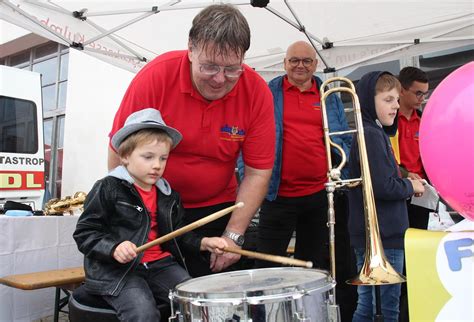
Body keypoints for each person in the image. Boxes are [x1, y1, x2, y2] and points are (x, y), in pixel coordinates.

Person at [107, 4, 275, 277]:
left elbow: (258, 171)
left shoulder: (257, 92)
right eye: (209, 66)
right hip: (154, 205)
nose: (220, 79)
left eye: (232, 69)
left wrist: (234, 236)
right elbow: (119, 153)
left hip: (216, 209)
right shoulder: (156, 76)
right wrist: (132, 215)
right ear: (190, 48)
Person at [74, 109, 229, 322]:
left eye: (163, 158)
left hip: (160, 265)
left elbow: (179, 235)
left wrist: (204, 242)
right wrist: (113, 248)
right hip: (120, 270)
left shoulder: (168, 194)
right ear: (125, 156)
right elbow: (85, 233)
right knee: (143, 313)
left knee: (197, 302)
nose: (157, 165)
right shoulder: (108, 188)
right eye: (148, 157)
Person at [243, 40, 355, 320]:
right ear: (284, 63)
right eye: (294, 60)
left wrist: (338, 168)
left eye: (306, 61)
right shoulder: (270, 93)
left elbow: (342, 138)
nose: (300, 66)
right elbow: (250, 137)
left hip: (318, 196)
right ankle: (261, 317)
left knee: (313, 268)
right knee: (266, 268)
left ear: (315, 64)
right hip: (277, 196)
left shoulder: (328, 94)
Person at [348, 72, 425, 322]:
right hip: (384, 234)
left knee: (371, 304)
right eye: (388, 99)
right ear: (370, 102)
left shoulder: (374, 132)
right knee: (382, 307)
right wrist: (410, 187)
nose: (395, 105)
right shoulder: (370, 134)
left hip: (382, 232)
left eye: (396, 100)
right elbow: (383, 186)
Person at [397, 66, 431, 229]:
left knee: (418, 240)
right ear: (401, 90)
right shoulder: (388, 121)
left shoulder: (426, 121)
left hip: (422, 191)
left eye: (425, 94)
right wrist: (405, 174)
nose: (422, 98)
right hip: (397, 188)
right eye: (418, 93)